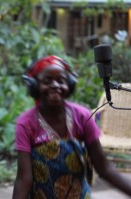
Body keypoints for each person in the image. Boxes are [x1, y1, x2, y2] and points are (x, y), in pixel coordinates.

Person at [12, 55, 131, 199]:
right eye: (47, 81)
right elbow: (24, 179)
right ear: (34, 86)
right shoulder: (26, 124)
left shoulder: (82, 116)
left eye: (61, 81)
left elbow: (104, 168)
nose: (55, 85)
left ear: (70, 85)